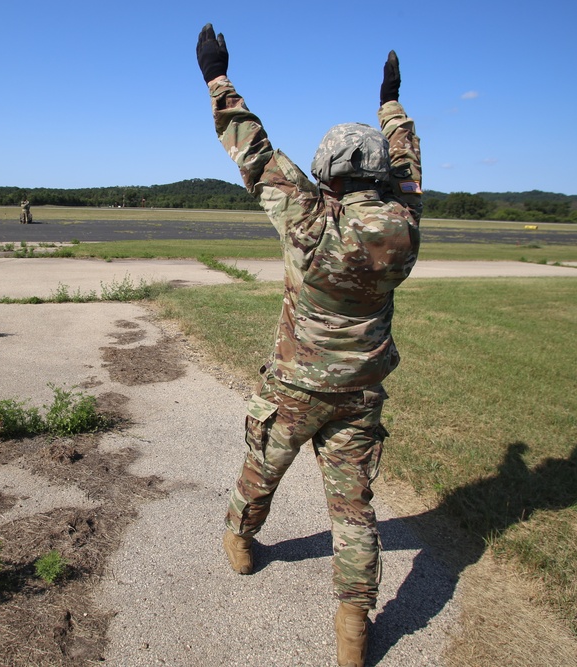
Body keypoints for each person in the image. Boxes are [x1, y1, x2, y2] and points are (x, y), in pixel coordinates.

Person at [196, 23, 422, 667]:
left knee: (261, 469)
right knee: (353, 509)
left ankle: (241, 543)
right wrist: (392, 103)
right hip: (359, 395)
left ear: (326, 173)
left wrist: (217, 76)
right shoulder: (405, 224)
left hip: (294, 387)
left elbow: (253, 150)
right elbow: (407, 166)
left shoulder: (307, 215)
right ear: (379, 171)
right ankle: (353, 623)